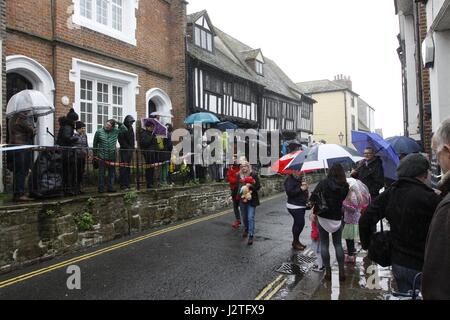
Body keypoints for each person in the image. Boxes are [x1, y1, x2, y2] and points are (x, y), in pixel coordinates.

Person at [359, 153, 441, 294]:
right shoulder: (431, 198)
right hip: (423, 265)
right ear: (424, 174)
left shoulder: (391, 193)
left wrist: (368, 244)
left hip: (398, 262)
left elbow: (365, 220)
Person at [422, 119, 450, 299]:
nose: (437, 161)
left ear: (447, 151)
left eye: (436, 154)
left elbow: (437, 287)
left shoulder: (447, 208)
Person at [310, 164, 349, 282]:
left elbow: (312, 198)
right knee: (338, 244)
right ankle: (342, 272)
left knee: (324, 244)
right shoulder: (345, 185)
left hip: (323, 217)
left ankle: (328, 273)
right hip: (337, 217)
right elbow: (343, 199)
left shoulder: (323, 183)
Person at [8, 111, 36, 201]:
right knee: (22, 171)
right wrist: (34, 129)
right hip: (22, 146)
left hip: (14, 146)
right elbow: (31, 130)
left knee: (17, 171)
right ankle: (20, 194)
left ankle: (16, 194)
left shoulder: (11, 118)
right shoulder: (22, 118)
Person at [93, 119, 127, 193]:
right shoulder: (99, 132)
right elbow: (95, 144)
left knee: (112, 173)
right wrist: (95, 155)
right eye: (106, 124)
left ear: (112, 127)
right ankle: (101, 188)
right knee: (101, 173)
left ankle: (110, 187)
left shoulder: (116, 131)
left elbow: (125, 129)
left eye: (109, 125)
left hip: (112, 156)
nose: (107, 126)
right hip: (102, 156)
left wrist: (118, 122)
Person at [342, 178, 371, 264]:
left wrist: (343, 204)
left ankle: (351, 256)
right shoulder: (355, 193)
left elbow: (353, 208)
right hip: (352, 219)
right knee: (350, 238)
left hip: (350, 220)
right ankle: (352, 252)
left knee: (349, 238)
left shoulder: (352, 195)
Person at [237, 160, 261, 245]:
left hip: (252, 199)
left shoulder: (253, 175)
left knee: (250, 217)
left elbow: (258, 186)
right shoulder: (239, 175)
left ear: (248, 167)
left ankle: (251, 235)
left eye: (245, 166)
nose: (244, 167)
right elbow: (237, 188)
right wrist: (235, 198)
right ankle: (246, 228)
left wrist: (250, 186)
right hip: (242, 200)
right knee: (244, 217)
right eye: (242, 166)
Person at [56, 108, 79, 196]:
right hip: (67, 153)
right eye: (75, 120)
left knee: (66, 171)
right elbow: (67, 138)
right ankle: (67, 189)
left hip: (65, 152)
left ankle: (66, 188)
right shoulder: (68, 127)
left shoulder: (65, 125)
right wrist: (75, 138)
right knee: (68, 171)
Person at [284, 171, 309, 251]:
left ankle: (296, 241)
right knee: (300, 223)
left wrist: (305, 188)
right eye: (298, 171)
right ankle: (295, 242)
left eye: (301, 170)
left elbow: (302, 192)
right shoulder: (289, 180)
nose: (301, 172)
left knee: (299, 224)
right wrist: (301, 188)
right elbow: (290, 193)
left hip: (301, 204)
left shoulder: (300, 179)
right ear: (293, 171)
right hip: (294, 205)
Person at [118, 115, 136, 190]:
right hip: (124, 150)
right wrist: (127, 147)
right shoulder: (122, 128)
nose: (131, 123)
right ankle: (123, 185)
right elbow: (121, 139)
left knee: (128, 168)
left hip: (129, 150)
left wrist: (132, 147)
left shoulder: (131, 128)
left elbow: (132, 139)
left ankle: (127, 183)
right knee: (123, 168)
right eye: (130, 122)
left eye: (132, 122)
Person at [140, 120, 158, 189]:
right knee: (149, 169)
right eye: (151, 127)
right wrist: (151, 137)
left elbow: (154, 144)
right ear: (147, 127)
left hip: (153, 153)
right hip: (147, 154)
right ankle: (149, 183)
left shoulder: (153, 134)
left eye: (153, 127)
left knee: (152, 169)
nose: (152, 128)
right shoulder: (144, 134)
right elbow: (144, 143)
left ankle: (151, 182)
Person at [73, 121, 89, 194]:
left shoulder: (84, 135)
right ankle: (74, 188)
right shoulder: (73, 135)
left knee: (81, 172)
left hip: (82, 157)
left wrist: (87, 153)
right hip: (76, 157)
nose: (84, 130)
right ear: (78, 128)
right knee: (76, 172)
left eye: (84, 128)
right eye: (82, 128)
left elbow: (86, 145)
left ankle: (79, 188)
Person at [227, 156, 241, 229]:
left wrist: (237, 177)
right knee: (235, 206)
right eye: (233, 159)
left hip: (240, 189)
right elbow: (231, 180)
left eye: (235, 159)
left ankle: (246, 221)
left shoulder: (240, 168)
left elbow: (241, 178)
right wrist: (237, 177)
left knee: (242, 206)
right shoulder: (230, 169)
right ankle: (238, 220)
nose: (234, 161)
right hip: (234, 190)